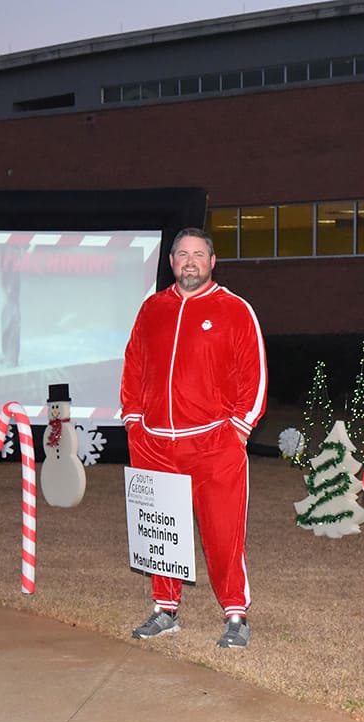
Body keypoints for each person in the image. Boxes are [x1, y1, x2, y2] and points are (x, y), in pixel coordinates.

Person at [120, 227, 267, 648]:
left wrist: (238, 431)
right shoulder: (151, 310)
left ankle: (235, 614)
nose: (189, 261)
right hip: (154, 443)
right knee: (161, 530)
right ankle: (165, 610)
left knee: (223, 533)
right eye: (182, 254)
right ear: (171, 262)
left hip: (213, 445)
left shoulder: (235, 310)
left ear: (212, 261)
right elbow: (133, 365)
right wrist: (133, 419)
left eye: (198, 254)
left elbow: (252, 376)